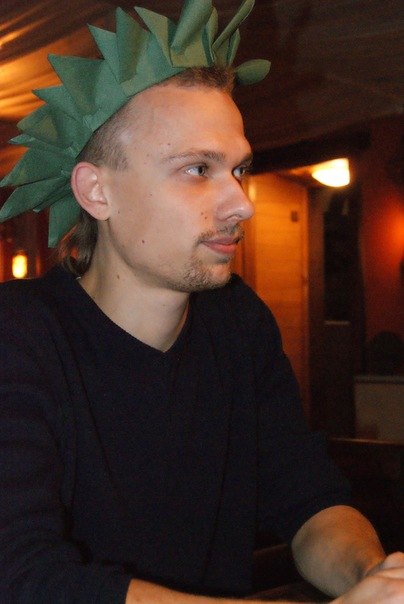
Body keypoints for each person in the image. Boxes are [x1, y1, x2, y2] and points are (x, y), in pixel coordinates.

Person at [0, 1, 403, 603]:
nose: (242, 204)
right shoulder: (19, 334)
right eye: (196, 169)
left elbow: (311, 502)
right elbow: (23, 576)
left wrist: (374, 578)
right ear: (96, 191)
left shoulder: (238, 322)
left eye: (238, 170)